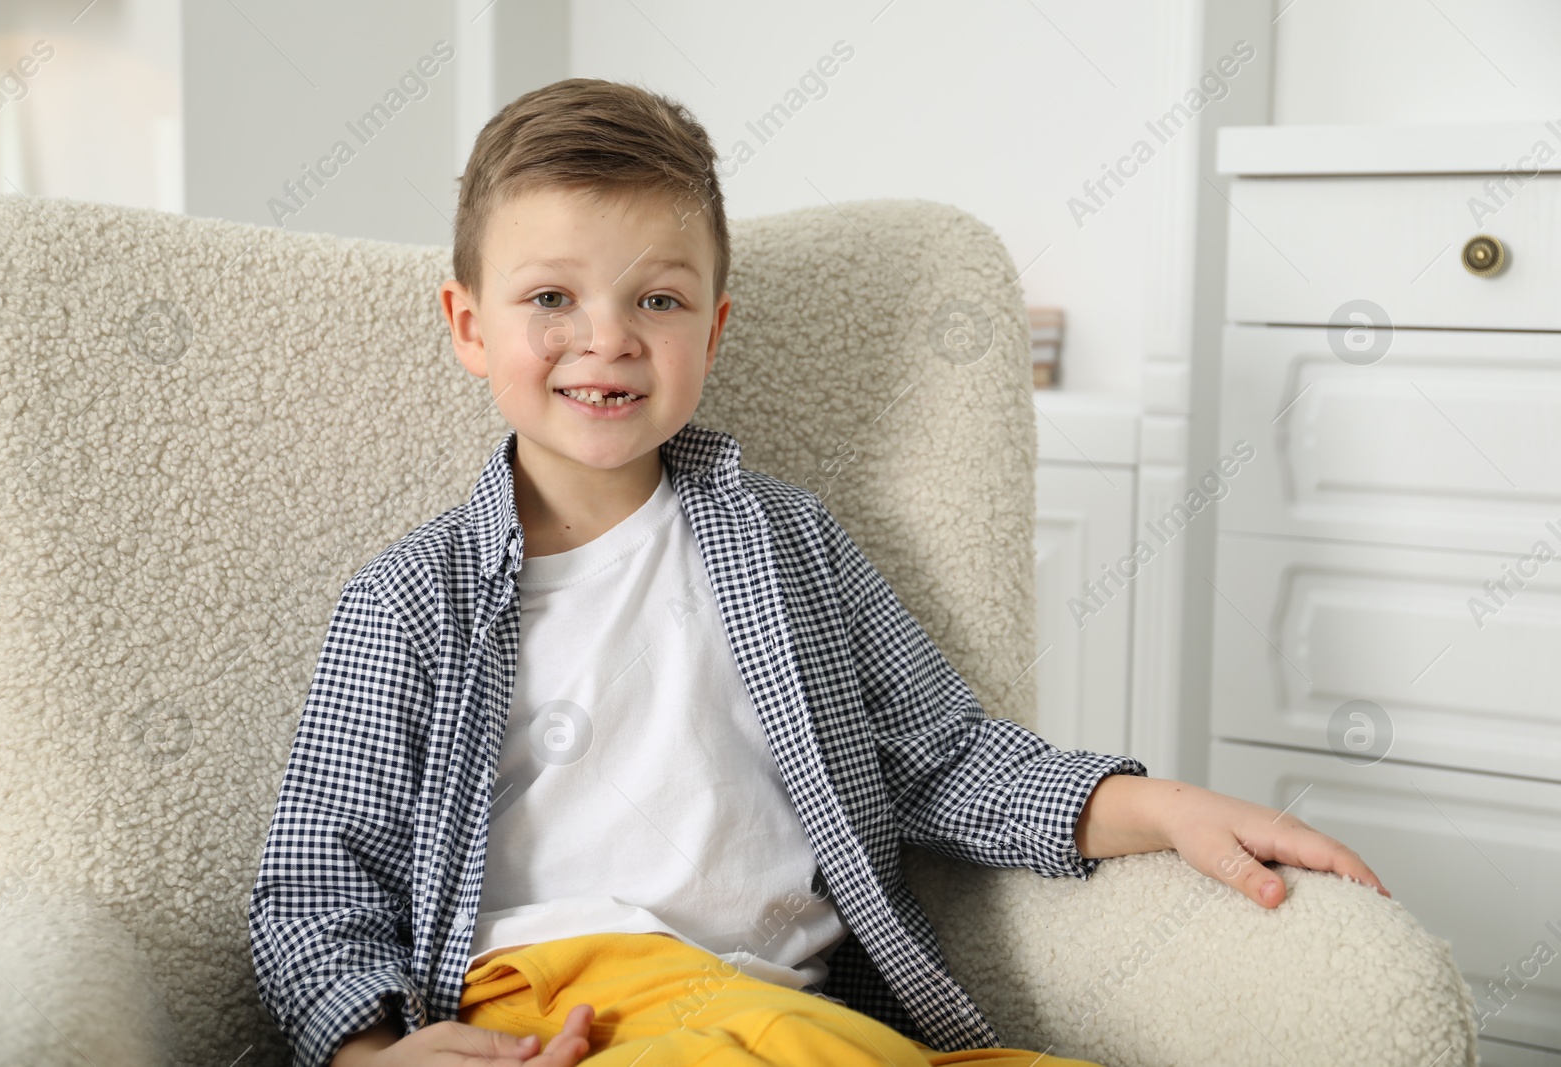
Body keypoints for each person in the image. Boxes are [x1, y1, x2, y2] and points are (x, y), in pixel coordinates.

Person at [248, 77, 1391, 1067]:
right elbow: (314, 879)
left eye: (658, 298)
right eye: (550, 297)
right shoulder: (410, 599)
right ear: (466, 323)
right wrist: (369, 1045)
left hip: (780, 1011)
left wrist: (1164, 805)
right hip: (563, 1005)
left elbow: (946, 760)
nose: (606, 338)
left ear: (715, 325)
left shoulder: (789, 544)